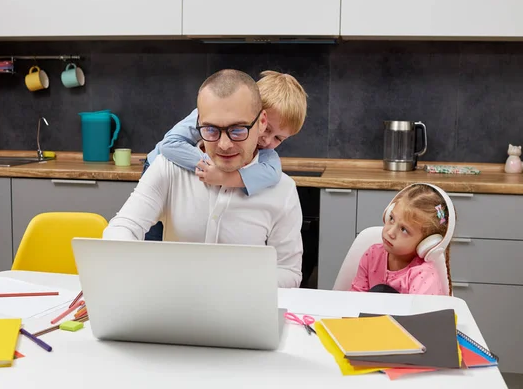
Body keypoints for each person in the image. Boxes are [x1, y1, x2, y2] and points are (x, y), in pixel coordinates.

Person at [104, 69, 303, 288]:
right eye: (211, 130)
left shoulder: (281, 187)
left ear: (261, 122)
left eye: (238, 130)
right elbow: (124, 227)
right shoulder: (168, 167)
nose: (225, 145)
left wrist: (235, 283)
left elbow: (289, 272)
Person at [143, 70, 308, 241]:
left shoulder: (264, 150)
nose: (267, 141)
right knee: (154, 237)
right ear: (257, 116)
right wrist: (209, 165)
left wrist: (226, 177)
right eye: (267, 130)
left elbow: (273, 171)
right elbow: (169, 145)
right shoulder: (211, 114)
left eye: (278, 138)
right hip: (159, 166)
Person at [350, 184, 454, 295]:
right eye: (391, 218)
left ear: (426, 243)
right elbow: (356, 298)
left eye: (404, 230)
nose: (390, 232)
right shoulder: (372, 255)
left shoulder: (423, 276)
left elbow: (420, 312)